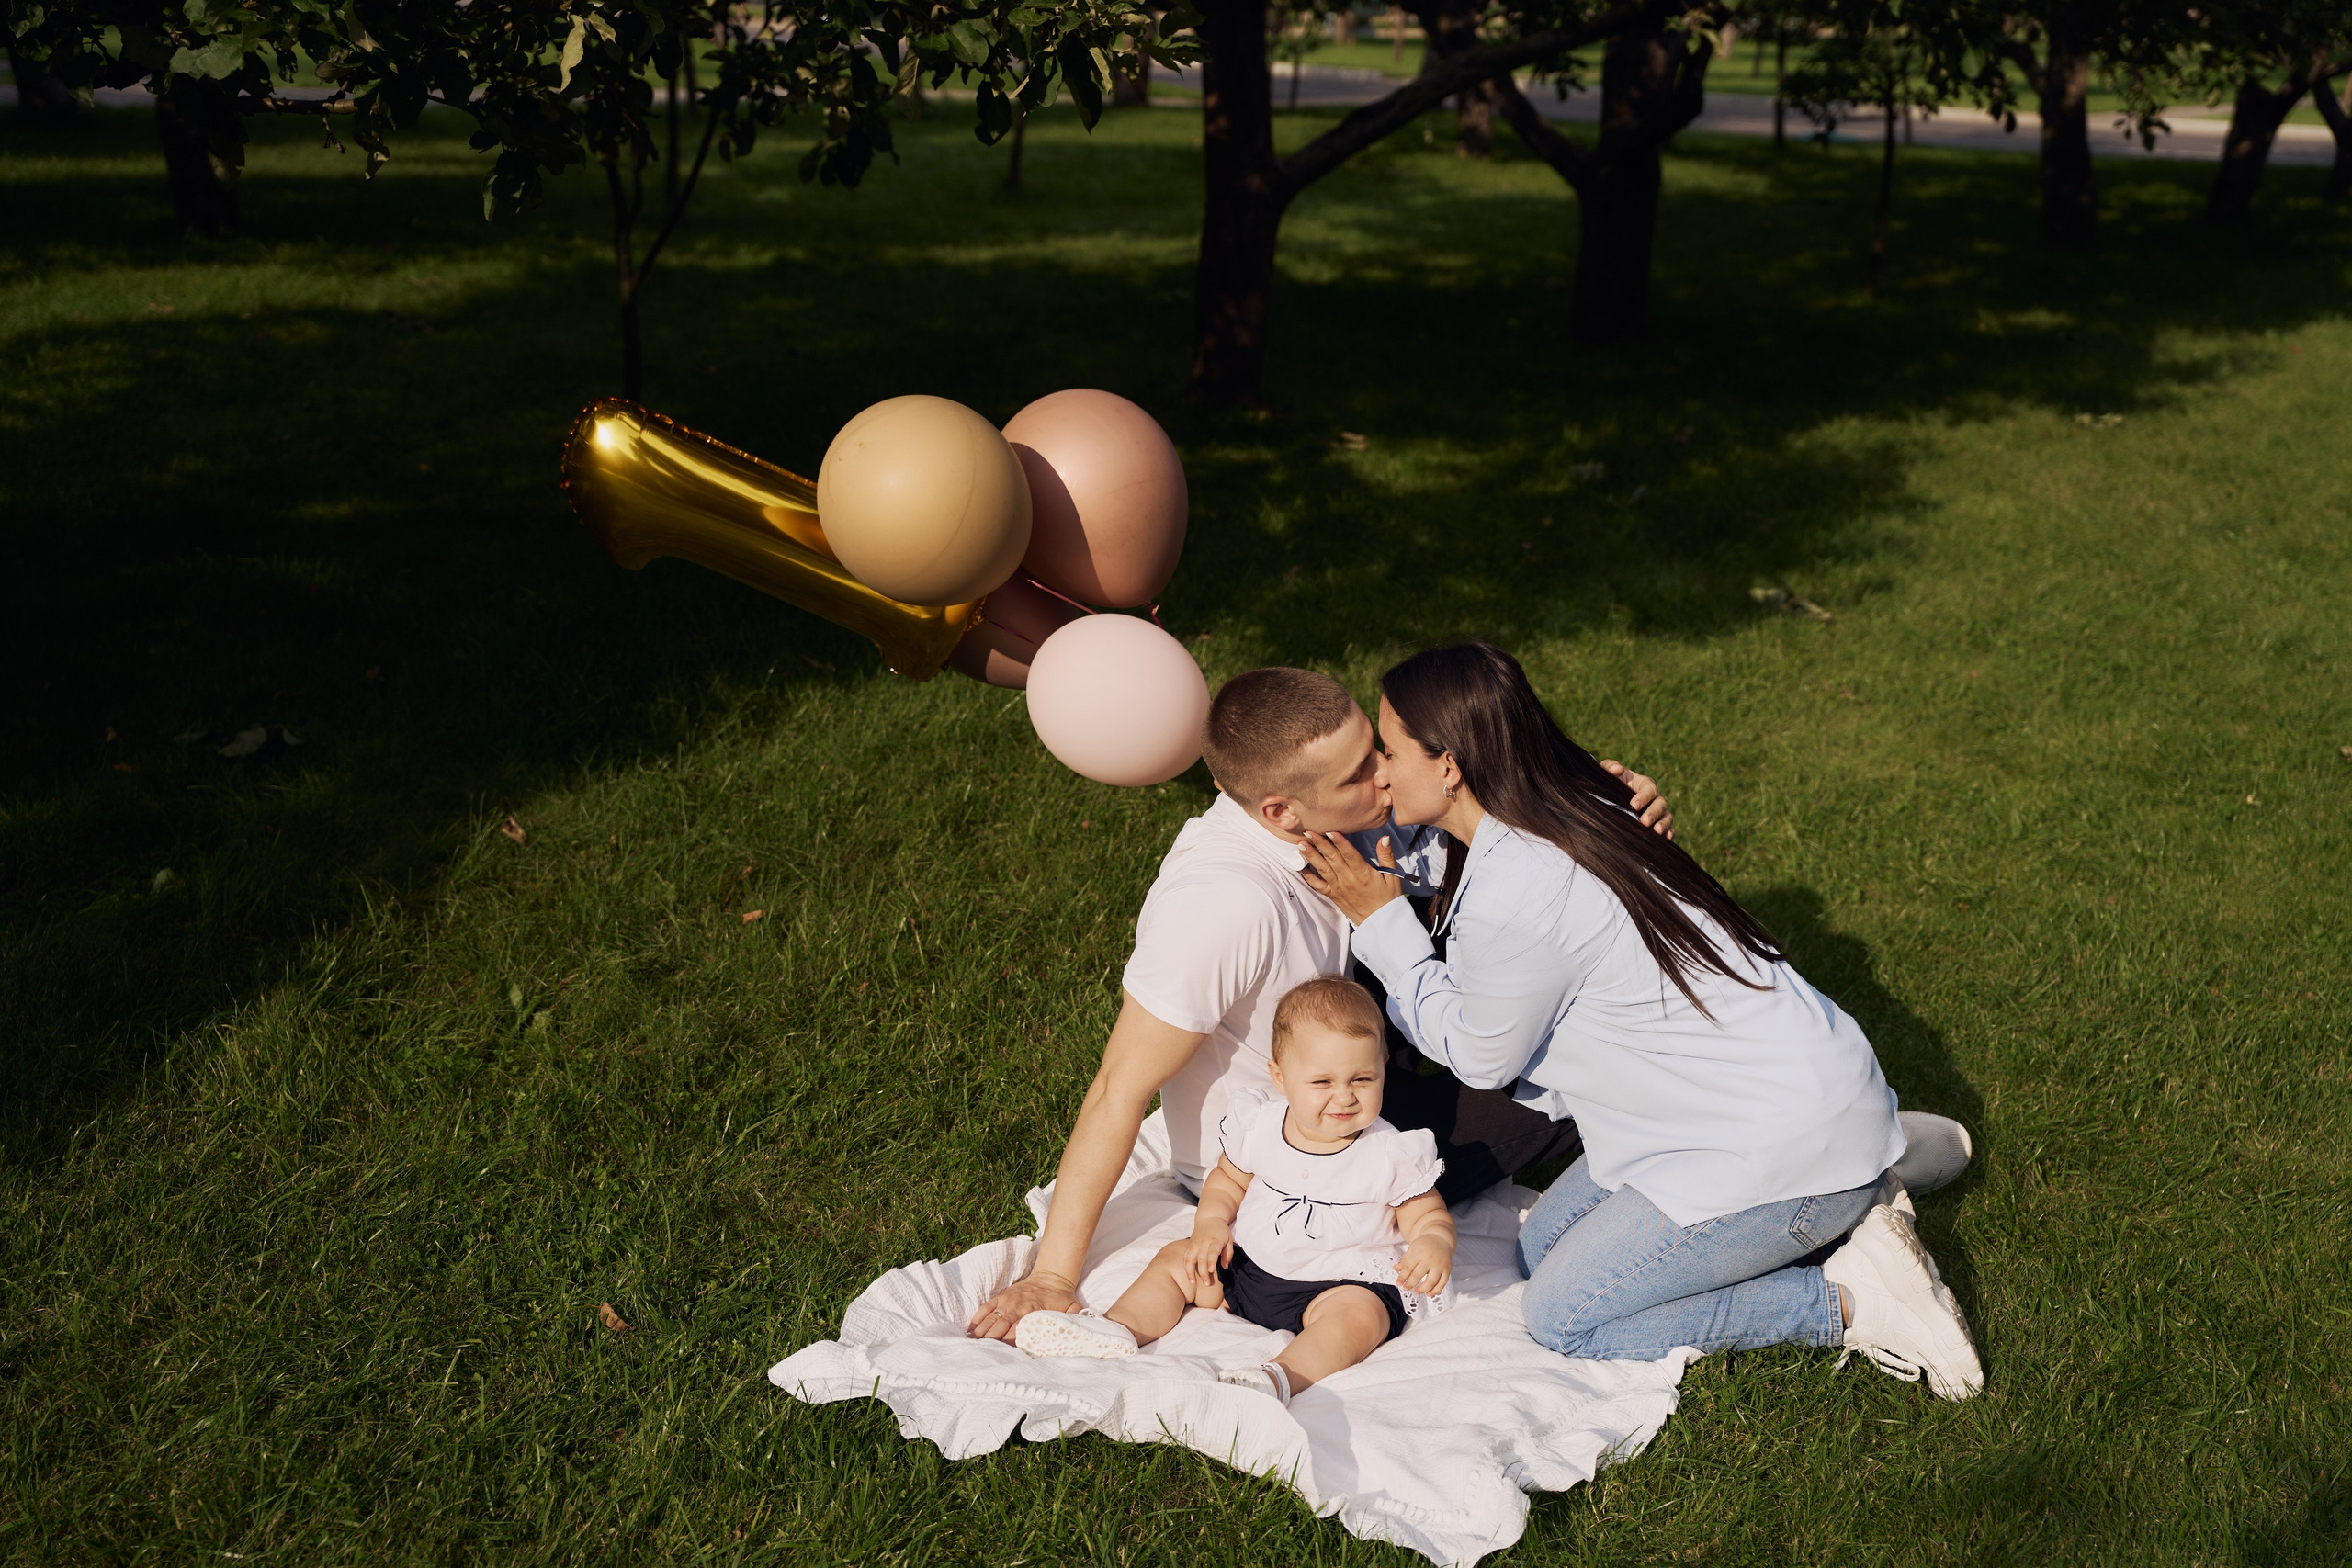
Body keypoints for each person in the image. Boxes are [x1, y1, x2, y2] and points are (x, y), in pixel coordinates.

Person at [1296, 641, 1984, 1398]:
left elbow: (1481, 1055)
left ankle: (1851, 1297)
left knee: (1564, 1315)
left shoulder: (1520, 894)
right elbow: (1451, 881)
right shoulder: (1573, 805)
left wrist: (1382, 923)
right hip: (1756, 1102)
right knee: (1540, 1247)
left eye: (1390, 752)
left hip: (1772, 1138)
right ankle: (1870, 1173)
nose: (1379, 772)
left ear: (1451, 766)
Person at [967, 667, 1670, 1343]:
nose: (1386, 774)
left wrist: (1596, 811)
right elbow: (1118, 1086)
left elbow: (1458, 830)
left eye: (1376, 749)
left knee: (1500, 911)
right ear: (1282, 810)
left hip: (1346, 1039)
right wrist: (1052, 1276)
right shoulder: (1220, 906)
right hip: (1310, 1141)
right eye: (1360, 772)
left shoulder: (1321, 815)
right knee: (1594, 1073)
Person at [1011, 976, 1457, 1404]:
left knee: (1359, 1319)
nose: (1344, 1097)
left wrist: (1434, 1240)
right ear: (1280, 1078)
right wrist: (1210, 1224)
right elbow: (1227, 1179)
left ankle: (1278, 1378)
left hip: (1337, 1283)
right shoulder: (1261, 1124)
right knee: (1177, 1261)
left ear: (1382, 1069)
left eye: (1362, 1079)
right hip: (1248, 1267)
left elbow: (1426, 1212)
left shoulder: (1390, 1153)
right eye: (1322, 1082)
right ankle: (1115, 1329)